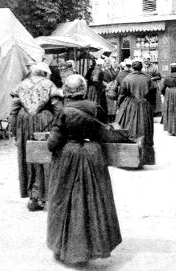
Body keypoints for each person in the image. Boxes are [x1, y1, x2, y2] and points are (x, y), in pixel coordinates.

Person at [46, 75, 127, 266]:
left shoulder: (63, 111)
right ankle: (95, 247)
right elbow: (103, 132)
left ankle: (67, 248)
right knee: (95, 198)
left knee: (64, 198)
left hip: (69, 156)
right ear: (84, 89)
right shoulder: (95, 107)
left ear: (66, 90)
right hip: (93, 154)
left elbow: (53, 143)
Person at [9, 62, 62, 211]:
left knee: (27, 158)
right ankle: (44, 196)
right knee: (45, 157)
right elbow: (58, 109)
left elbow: (13, 111)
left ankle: (33, 196)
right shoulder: (49, 85)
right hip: (44, 121)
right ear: (45, 73)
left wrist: (14, 131)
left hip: (24, 123)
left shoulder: (22, 85)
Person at [116, 59, 155, 164]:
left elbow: (122, 93)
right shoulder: (147, 78)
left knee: (129, 127)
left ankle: (129, 157)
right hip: (144, 105)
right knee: (145, 129)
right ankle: (146, 158)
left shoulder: (127, 78)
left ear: (133, 68)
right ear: (141, 67)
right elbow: (153, 92)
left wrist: (120, 105)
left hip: (130, 105)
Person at [102, 57, 119, 123]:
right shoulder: (103, 71)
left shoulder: (111, 70)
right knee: (109, 103)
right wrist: (107, 85)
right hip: (107, 89)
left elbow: (115, 77)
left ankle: (112, 117)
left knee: (112, 104)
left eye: (109, 63)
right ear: (104, 63)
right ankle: (109, 117)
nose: (108, 64)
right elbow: (102, 80)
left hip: (112, 88)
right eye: (107, 63)